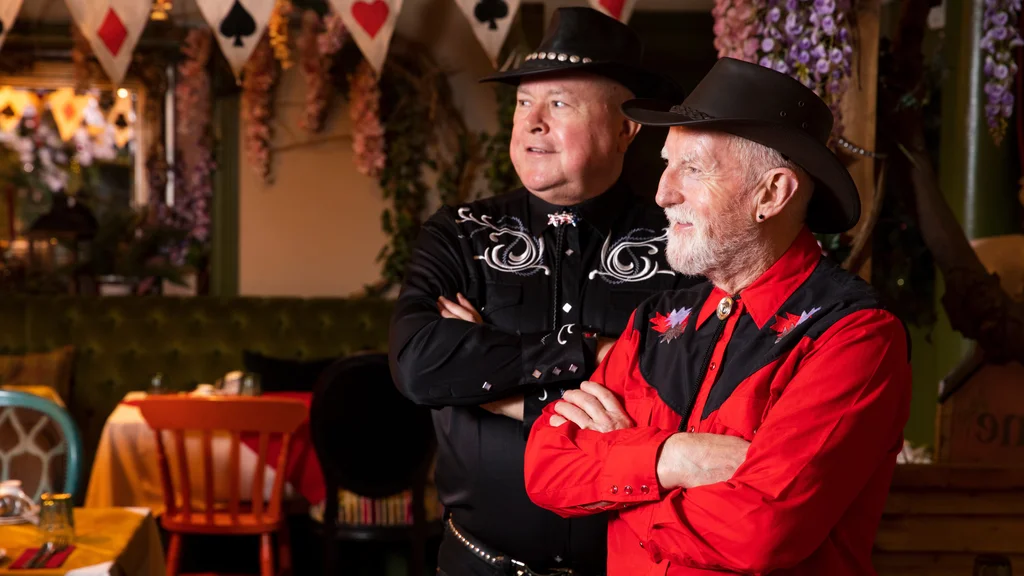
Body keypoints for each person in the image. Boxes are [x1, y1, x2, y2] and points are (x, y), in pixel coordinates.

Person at [523, 57, 912, 575]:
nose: (663, 193)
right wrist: (673, 459)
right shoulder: (655, 321)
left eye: (693, 168)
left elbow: (759, 533)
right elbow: (546, 469)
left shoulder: (854, 338)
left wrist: (622, 488)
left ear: (771, 194)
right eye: (666, 163)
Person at [389, 7, 702, 575]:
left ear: (627, 127)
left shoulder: (680, 243)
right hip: (476, 566)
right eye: (522, 104)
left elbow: (682, 399)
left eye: (558, 103)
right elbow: (418, 366)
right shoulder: (458, 234)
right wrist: (591, 354)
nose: (532, 122)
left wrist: (493, 388)